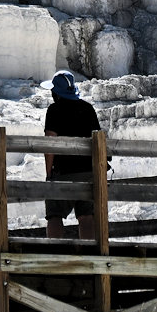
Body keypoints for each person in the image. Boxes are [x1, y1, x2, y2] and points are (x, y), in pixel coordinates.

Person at [43, 70, 101, 240]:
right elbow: (97, 140)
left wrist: (49, 174)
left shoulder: (54, 110)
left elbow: (50, 143)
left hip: (63, 173)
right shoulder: (88, 108)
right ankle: (89, 255)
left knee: (55, 215)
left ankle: (56, 255)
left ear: (56, 93)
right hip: (88, 173)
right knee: (86, 216)